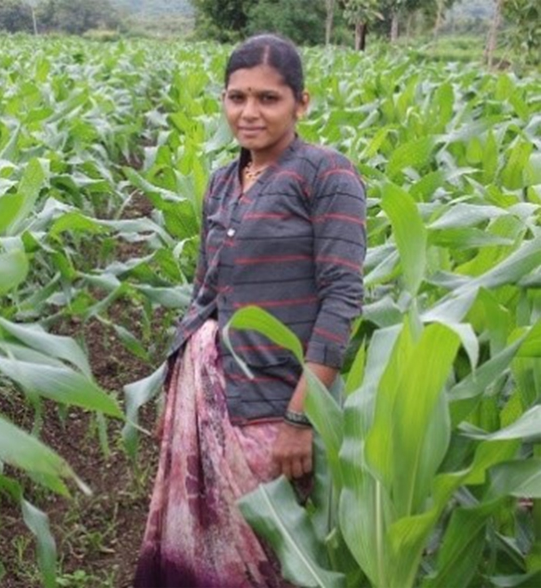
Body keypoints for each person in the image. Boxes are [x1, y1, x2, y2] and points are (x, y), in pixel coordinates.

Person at [134, 34, 366, 588]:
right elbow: (205, 290)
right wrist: (182, 372)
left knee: (265, 557)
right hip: (213, 387)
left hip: (274, 400)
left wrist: (299, 418)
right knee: (207, 548)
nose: (249, 112)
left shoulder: (326, 175)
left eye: (268, 98)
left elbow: (342, 297)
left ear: (301, 103)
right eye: (237, 98)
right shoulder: (221, 182)